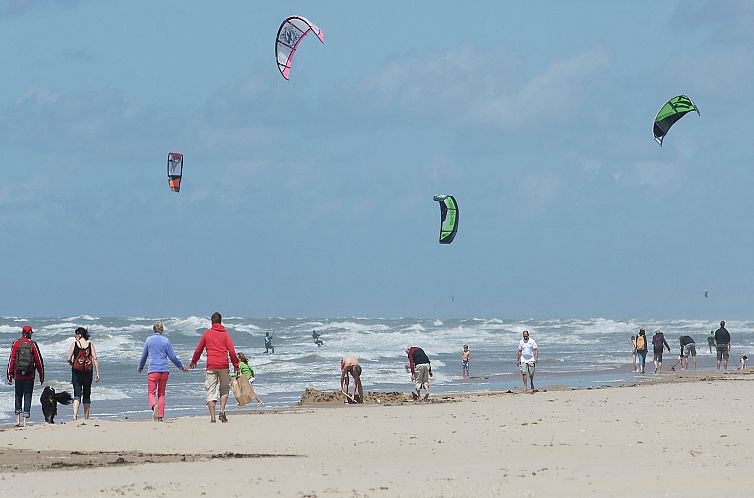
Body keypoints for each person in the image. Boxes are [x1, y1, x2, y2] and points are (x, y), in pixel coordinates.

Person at [189, 312, 240, 423]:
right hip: (223, 365)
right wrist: (236, 365)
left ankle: (212, 418)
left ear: (211, 322)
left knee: (210, 391)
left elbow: (198, 350)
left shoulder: (207, 334)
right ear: (220, 321)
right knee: (224, 389)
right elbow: (231, 351)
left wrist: (194, 361)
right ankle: (221, 412)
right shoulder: (225, 335)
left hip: (211, 365)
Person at [138, 321, 188, 422]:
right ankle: (160, 417)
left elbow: (144, 356)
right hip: (164, 370)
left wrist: (140, 367)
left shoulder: (149, 340)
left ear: (153, 329)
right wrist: (181, 367)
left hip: (153, 370)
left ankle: (153, 406)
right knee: (161, 394)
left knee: (151, 393)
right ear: (162, 330)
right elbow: (173, 357)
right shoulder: (166, 341)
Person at [6, 325, 45, 427]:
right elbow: (39, 362)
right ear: (30, 333)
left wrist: (10, 375)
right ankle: (25, 421)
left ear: (22, 333)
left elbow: (12, 360)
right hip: (29, 375)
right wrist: (41, 375)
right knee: (28, 396)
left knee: (18, 395)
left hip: (18, 375)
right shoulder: (33, 345)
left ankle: (17, 420)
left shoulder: (16, 343)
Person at [66, 327, 100, 421]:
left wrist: (72, 364)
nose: (75, 336)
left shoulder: (74, 344)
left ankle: (74, 416)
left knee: (77, 394)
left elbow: (68, 358)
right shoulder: (90, 344)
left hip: (76, 372)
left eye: (76, 334)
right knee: (87, 394)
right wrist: (97, 372)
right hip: (88, 372)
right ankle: (86, 417)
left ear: (80, 334)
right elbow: (95, 358)